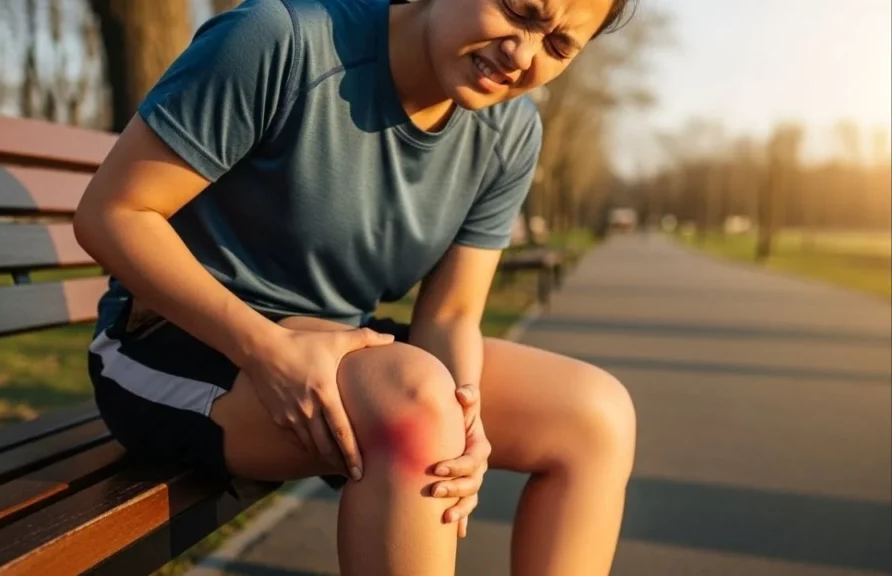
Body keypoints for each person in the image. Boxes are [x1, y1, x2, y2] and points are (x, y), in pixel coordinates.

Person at [75, 0, 637, 573]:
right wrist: (265, 349)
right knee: (413, 409)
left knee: (594, 415)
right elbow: (113, 213)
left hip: (341, 349)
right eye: (519, 11)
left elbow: (449, 317)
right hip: (176, 341)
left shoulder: (510, 132)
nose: (522, 53)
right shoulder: (282, 40)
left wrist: (469, 426)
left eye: (559, 46)